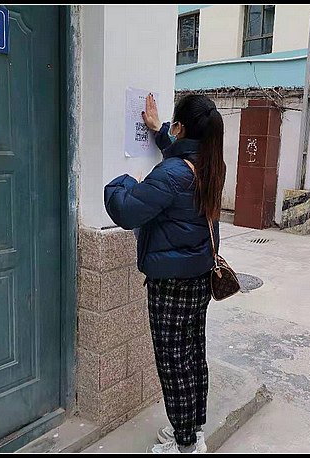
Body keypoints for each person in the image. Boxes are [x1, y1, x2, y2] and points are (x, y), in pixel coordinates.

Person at [104, 94, 226, 454]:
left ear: (181, 127)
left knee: (173, 363)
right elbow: (179, 156)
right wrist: (159, 133)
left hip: (171, 285)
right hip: (199, 279)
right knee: (193, 356)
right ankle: (193, 431)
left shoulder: (171, 174)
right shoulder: (211, 165)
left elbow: (125, 211)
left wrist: (126, 181)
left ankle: (185, 445)